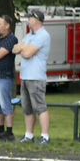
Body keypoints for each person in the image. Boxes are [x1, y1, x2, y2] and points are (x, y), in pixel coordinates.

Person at [13, 9, 52, 144]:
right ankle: (29, 134)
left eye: (29, 18)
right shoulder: (29, 35)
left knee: (40, 107)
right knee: (27, 108)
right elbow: (14, 49)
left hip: (36, 77)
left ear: (36, 20)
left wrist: (23, 48)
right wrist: (24, 48)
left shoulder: (43, 35)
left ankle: (45, 136)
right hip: (25, 76)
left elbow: (27, 53)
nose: (28, 20)